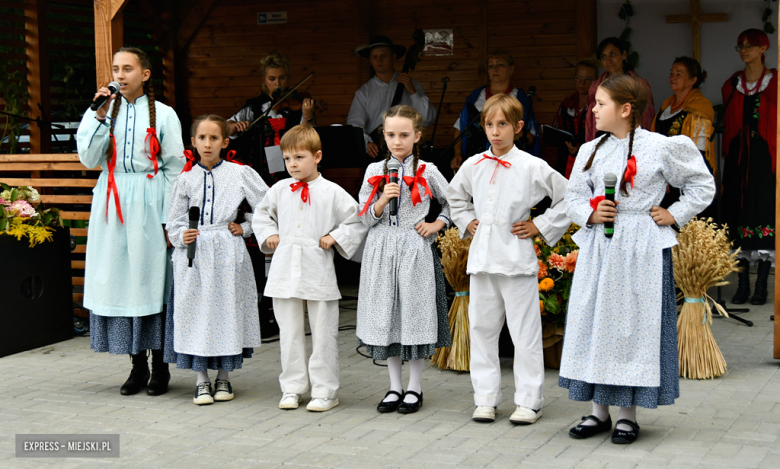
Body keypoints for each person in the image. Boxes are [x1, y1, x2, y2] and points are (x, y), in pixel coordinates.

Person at [559, 75, 715, 444]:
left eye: (600, 103)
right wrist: (592, 213)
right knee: (595, 320)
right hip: (600, 247)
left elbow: (702, 184)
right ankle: (598, 411)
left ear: (625, 109)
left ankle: (627, 415)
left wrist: (674, 213)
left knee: (631, 325)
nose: (593, 109)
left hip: (640, 248)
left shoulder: (660, 146)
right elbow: (574, 196)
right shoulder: (589, 150)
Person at [447, 94, 570, 425]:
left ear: (517, 127)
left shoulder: (531, 165)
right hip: (483, 259)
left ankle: (529, 400)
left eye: (502, 124)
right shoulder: (473, 165)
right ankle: (485, 397)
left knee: (524, 332)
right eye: (489, 125)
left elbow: (568, 196)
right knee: (483, 329)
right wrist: (466, 219)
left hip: (516, 260)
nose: (495, 132)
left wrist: (539, 224)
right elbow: (454, 196)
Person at [76, 47, 184, 396]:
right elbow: (89, 157)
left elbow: (174, 168)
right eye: (115, 69)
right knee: (123, 279)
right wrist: (97, 115)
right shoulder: (104, 113)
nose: (120, 75)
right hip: (112, 200)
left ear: (145, 74)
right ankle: (136, 366)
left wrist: (172, 217)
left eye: (127, 69)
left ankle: (160, 368)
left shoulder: (165, 115)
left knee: (150, 278)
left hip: (150, 200)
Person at [252, 126, 368, 412]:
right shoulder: (279, 189)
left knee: (324, 332)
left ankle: (325, 391)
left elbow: (356, 220)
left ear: (317, 157)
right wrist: (269, 234)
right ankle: (292, 387)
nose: (292, 164)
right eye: (288, 158)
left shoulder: (331, 192)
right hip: (284, 271)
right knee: (289, 333)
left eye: (299, 157)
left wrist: (336, 237)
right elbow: (261, 216)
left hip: (318, 270)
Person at [164, 114, 267, 405]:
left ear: (225, 141)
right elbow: (173, 220)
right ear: (193, 142)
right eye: (202, 138)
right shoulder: (185, 179)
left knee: (227, 310)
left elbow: (269, 206)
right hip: (194, 255)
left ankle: (224, 376)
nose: (207, 144)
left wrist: (245, 227)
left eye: (214, 138)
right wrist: (181, 234)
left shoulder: (240, 173)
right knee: (196, 312)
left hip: (226, 250)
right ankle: (201, 380)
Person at [356, 105, 452, 414]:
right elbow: (363, 218)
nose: (396, 141)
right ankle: (394, 386)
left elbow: (456, 203)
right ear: (383, 134)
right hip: (381, 249)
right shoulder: (374, 172)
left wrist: (438, 223)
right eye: (390, 134)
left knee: (414, 313)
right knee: (388, 315)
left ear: (417, 136)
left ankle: (415, 387)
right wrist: (382, 199)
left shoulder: (428, 170)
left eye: (404, 135)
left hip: (414, 248)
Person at [720, 29, 777, 306]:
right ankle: (742, 282)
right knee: (738, 214)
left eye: (750, 45)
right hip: (738, 160)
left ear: (763, 48)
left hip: (765, 158)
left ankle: (762, 285)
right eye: (740, 45)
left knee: (763, 215)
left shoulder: (775, 82)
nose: (744, 50)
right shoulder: (731, 85)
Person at [226, 50, 317, 184]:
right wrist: (233, 126)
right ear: (264, 79)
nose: (278, 84)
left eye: (282, 78)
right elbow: (226, 127)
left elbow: (309, 138)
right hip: (260, 169)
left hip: (292, 169)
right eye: (272, 79)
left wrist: (307, 116)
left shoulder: (298, 105)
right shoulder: (255, 107)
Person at [348, 36, 436, 159]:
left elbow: (428, 119)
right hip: (377, 152)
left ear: (393, 57)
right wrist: (366, 142)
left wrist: (412, 91)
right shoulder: (363, 92)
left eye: (383, 56)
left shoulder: (412, 85)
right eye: (374, 57)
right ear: (370, 61)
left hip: (408, 151)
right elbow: (355, 125)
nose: (379, 60)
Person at [651, 57, 716, 220]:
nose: (673, 77)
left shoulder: (700, 107)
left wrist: (674, 170)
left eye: (679, 74)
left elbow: (698, 149)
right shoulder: (666, 105)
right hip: (665, 173)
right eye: (672, 73)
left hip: (687, 174)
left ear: (693, 80)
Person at [451, 50, 540, 169]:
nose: (495, 69)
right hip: (475, 163)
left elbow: (530, 138)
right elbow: (459, 128)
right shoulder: (476, 97)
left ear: (511, 69)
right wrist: (457, 153)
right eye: (491, 65)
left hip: (507, 165)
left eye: (500, 64)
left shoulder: (520, 99)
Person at [584, 38, 655, 142]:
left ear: (624, 55)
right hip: (603, 139)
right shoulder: (595, 88)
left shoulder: (640, 85)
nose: (608, 60)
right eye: (604, 56)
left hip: (634, 140)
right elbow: (591, 122)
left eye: (613, 54)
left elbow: (647, 117)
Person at [552, 59, 599, 177]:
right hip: (565, 158)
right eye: (578, 77)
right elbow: (557, 131)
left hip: (591, 160)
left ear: (595, 81)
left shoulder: (599, 105)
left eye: (587, 79)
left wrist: (581, 147)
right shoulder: (567, 103)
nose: (582, 82)